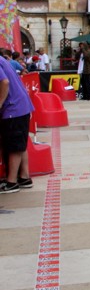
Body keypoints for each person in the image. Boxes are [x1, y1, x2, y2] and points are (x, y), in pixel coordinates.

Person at [0, 52, 34, 194]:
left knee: (14, 145)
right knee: (20, 143)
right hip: (22, 106)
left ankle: (12, 182)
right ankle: (24, 177)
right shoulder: (2, 59)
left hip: (13, 108)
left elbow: (4, 82)